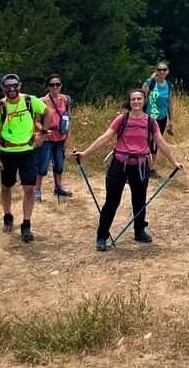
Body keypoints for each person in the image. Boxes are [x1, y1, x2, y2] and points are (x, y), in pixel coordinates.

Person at [73, 89, 181, 251]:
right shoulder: (122, 119)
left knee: (139, 200)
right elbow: (105, 137)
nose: (136, 102)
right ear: (129, 102)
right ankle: (102, 236)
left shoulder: (151, 122)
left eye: (139, 99)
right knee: (111, 201)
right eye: (133, 99)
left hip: (140, 165)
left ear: (144, 101)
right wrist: (85, 154)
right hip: (119, 163)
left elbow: (160, 142)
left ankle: (139, 231)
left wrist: (174, 162)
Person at [0, 74, 48, 243]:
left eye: (15, 86)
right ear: (3, 88)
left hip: (28, 151)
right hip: (8, 152)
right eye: (8, 86)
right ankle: (7, 215)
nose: (12, 89)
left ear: (20, 86)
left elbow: (46, 111)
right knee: (7, 186)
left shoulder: (30, 101)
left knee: (29, 188)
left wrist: (42, 133)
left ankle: (26, 224)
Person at [37, 73, 73, 200]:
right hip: (47, 138)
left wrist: (68, 135)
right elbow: (36, 121)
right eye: (52, 85)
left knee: (59, 164)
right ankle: (37, 190)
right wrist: (44, 131)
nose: (55, 87)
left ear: (61, 85)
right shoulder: (42, 102)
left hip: (61, 136)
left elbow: (67, 117)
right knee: (43, 165)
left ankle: (58, 187)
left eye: (57, 84)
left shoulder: (66, 99)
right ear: (48, 87)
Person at [143, 61, 174, 179]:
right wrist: (150, 78)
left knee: (156, 142)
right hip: (149, 117)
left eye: (164, 69)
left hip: (162, 117)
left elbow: (169, 103)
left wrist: (171, 120)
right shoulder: (151, 83)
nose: (161, 72)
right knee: (147, 141)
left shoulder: (169, 85)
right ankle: (145, 166)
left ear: (168, 71)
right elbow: (143, 93)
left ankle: (150, 168)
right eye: (159, 69)